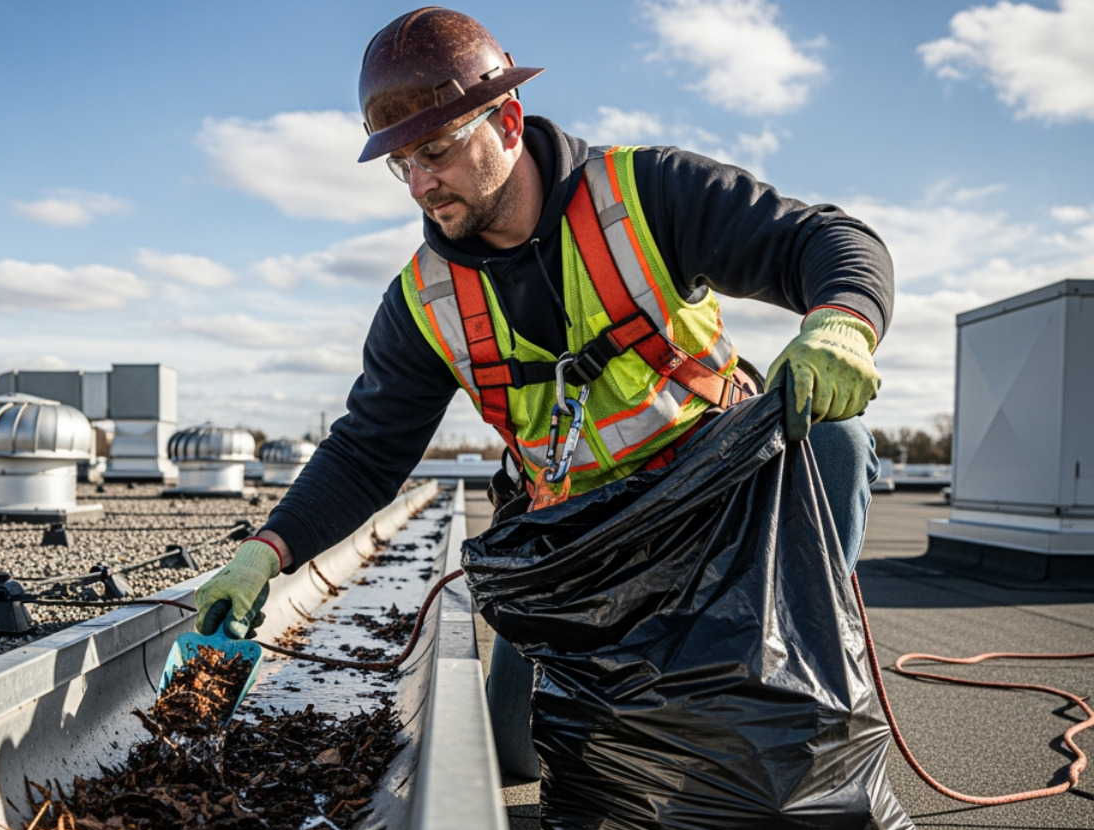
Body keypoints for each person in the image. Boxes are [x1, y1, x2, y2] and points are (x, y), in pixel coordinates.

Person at [195, 7, 883, 777]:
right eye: (402, 166)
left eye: (437, 150)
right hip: (577, 542)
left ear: (509, 120)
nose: (421, 184)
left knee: (835, 442)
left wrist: (840, 326)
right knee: (516, 757)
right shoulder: (423, 301)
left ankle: (795, 693)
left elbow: (824, 239)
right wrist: (267, 550)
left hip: (712, 504)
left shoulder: (645, 194)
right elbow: (365, 452)